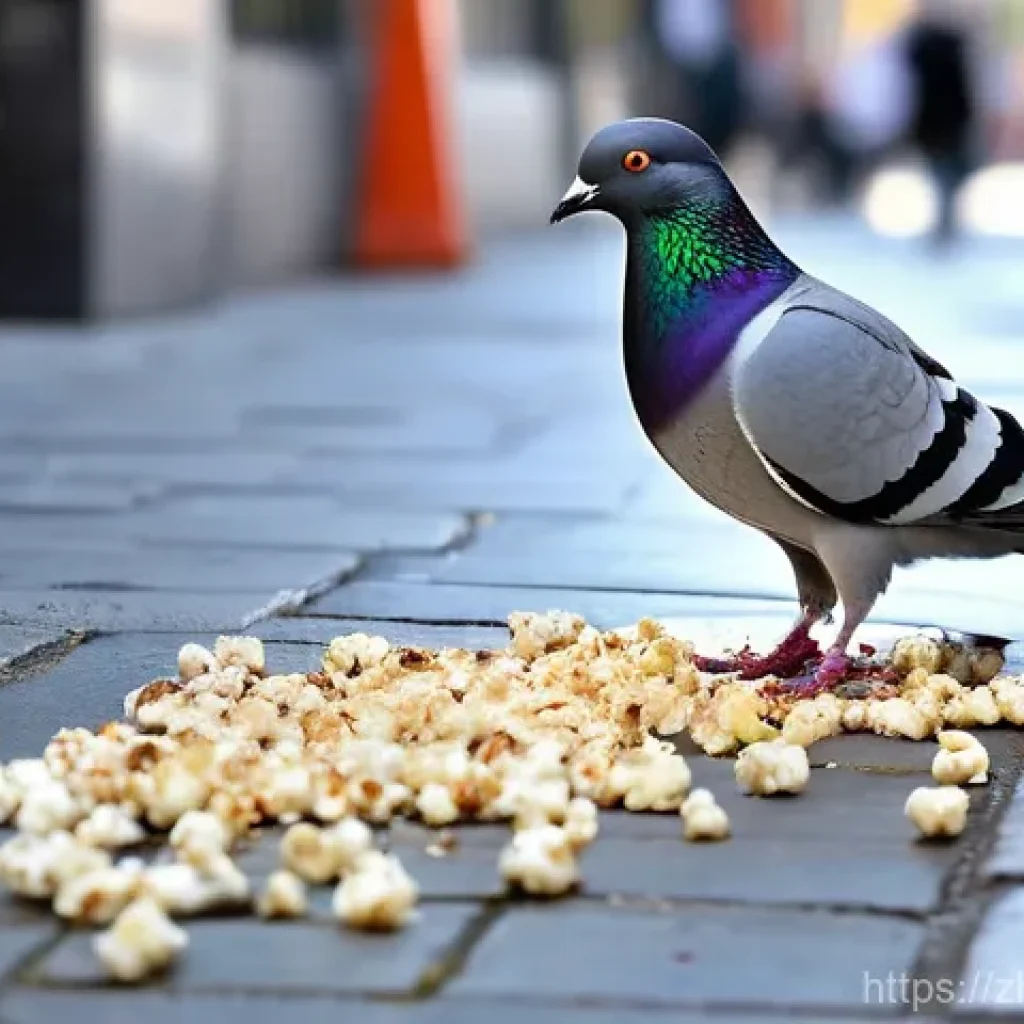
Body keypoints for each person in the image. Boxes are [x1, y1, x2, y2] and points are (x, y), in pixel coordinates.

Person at [901, 4, 981, 245]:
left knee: (949, 174)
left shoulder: (941, 44)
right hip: (939, 120)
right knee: (943, 174)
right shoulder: (935, 45)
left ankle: (946, 223)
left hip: (945, 120)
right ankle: (944, 225)